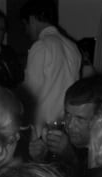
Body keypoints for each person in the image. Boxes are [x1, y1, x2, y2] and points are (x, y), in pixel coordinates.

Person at [32, 74, 102, 173]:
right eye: (67, 114)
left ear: (101, 119)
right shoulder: (60, 135)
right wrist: (40, 158)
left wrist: (69, 156)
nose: (69, 125)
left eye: (80, 119)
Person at [19, 0, 81, 138]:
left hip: (43, 129)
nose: (27, 31)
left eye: (25, 25)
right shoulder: (72, 46)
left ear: (32, 19)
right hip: (66, 125)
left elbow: (30, 93)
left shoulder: (41, 46)